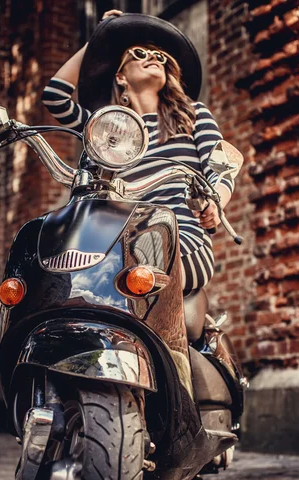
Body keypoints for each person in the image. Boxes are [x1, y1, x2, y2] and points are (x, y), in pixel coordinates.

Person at [41, 11, 234, 295]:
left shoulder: (192, 115)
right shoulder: (108, 130)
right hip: (125, 241)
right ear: (120, 76)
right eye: (140, 53)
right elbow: (55, 96)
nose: (154, 57)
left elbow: (221, 168)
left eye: (162, 57)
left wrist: (216, 205)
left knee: (136, 267)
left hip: (182, 237)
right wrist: (97, 38)